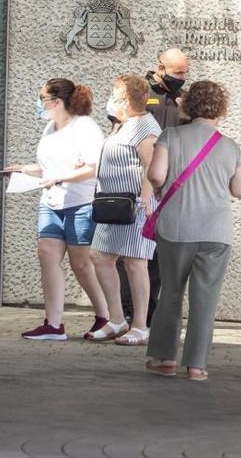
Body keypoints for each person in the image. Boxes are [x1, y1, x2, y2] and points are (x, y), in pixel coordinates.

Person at [145, 81, 241, 381]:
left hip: (176, 228)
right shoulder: (229, 145)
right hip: (215, 232)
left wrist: (164, 186)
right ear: (221, 109)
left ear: (188, 105)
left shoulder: (171, 135)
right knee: (205, 299)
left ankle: (164, 358)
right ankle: (196, 366)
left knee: (171, 294)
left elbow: (156, 175)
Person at [3, 78, 110, 340]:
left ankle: (105, 317)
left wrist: (60, 177)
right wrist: (24, 169)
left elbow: (92, 168)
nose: (39, 104)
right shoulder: (50, 127)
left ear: (57, 101)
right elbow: (49, 166)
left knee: (81, 264)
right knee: (47, 254)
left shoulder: (85, 127)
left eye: (42, 99)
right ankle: (53, 324)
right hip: (50, 203)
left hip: (80, 203)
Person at [87, 75, 161, 345]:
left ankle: (140, 325)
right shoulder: (122, 125)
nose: (113, 100)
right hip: (112, 203)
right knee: (99, 256)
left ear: (129, 101)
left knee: (135, 262)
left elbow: (150, 165)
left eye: (117, 96)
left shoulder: (145, 127)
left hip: (136, 206)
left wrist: (145, 198)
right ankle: (117, 319)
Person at [132, 48, 190, 326]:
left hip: (173, 182)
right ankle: (135, 309)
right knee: (138, 250)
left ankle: (158, 312)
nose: (183, 77)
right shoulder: (142, 92)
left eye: (185, 72)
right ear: (160, 67)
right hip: (144, 179)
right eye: (178, 72)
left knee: (163, 250)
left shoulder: (181, 98)